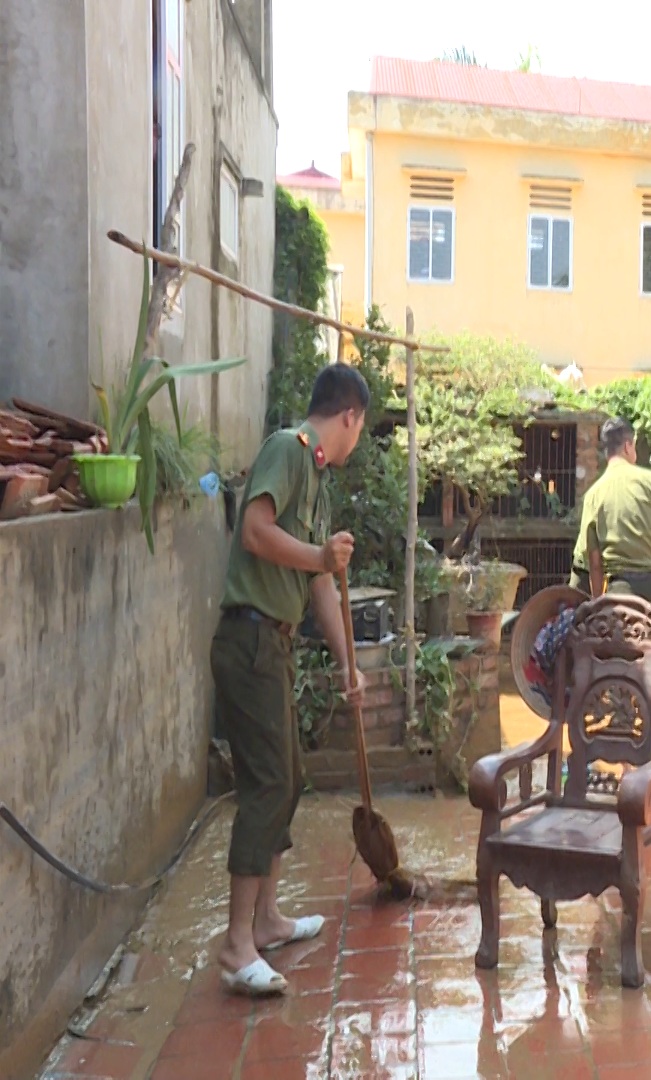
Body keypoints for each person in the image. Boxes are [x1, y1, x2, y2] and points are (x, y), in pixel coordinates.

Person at [211, 364, 370, 995]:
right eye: (361, 426)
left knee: (289, 777)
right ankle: (236, 945)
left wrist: (348, 663)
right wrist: (318, 556)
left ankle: (267, 920)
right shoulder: (288, 449)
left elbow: (320, 581)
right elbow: (255, 531)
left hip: (273, 644)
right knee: (268, 783)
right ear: (350, 415)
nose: (357, 438)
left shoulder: (318, 482)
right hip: (248, 639)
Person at [569, 416, 651, 606]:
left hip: (617, 589)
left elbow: (595, 564)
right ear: (627, 446)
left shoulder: (593, 495)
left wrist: (598, 602)